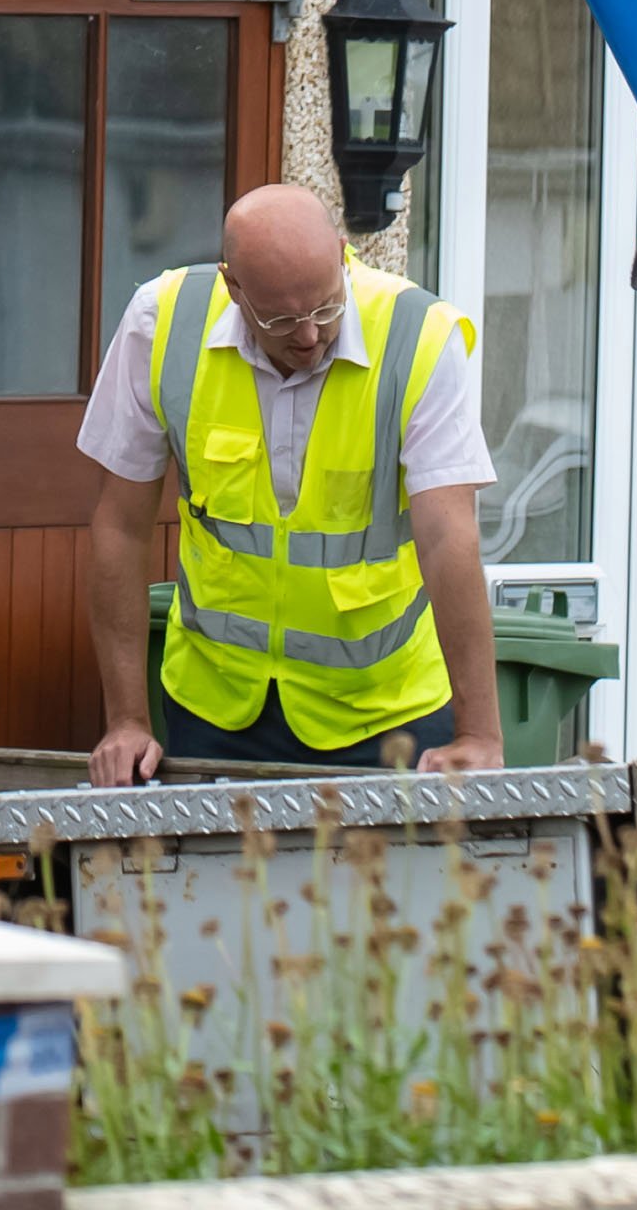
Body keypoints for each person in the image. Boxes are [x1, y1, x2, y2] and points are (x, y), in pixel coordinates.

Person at [78, 181, 504, 780]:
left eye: (326, 307)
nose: (308, 335)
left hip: (387, 714)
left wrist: (480, 734)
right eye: (280, 318)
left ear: (340, 253)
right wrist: (126, 721)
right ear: (233, 287)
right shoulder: (163, 322)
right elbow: (121, 527)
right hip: (216, 710)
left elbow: (448, 537)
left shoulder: (420, 338)